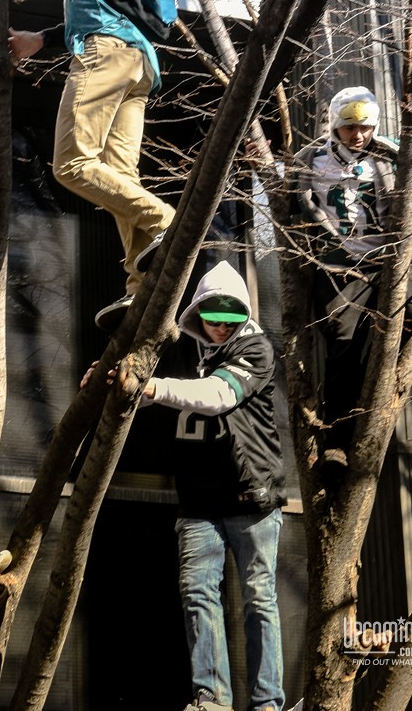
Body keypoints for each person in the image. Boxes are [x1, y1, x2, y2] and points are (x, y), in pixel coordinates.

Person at [0, 0, 175, 331]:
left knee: (73, 165)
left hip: (105, 54)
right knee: (117, 176)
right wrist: (41, 39)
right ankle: (139, 287)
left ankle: (168, 219)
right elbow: (119, 5)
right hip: (141, 63)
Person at [96, 259, 286, 711]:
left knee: (259, 598)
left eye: (230, 317)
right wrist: (104, 380)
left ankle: (267, 704)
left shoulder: (256, 348)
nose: (220, 327)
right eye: (211, 316)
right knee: (197, 593)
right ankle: (212, 698)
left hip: (251, 496)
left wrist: (154, 389)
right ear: (197, 312)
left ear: (243, 313)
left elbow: (218, 396)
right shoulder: (181, 349)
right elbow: (135, 382)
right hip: (197, 500)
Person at [291, 85, 412, 466]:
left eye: (365, 128)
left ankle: (382, 392)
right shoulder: (311, 157)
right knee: (342, 344)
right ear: (335, 127)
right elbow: (289, 197)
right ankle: (337, 440)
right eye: (349, 128)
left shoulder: (393, 150)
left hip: (391, 260)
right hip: (342, 265)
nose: (358, 136)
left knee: (410, 316)